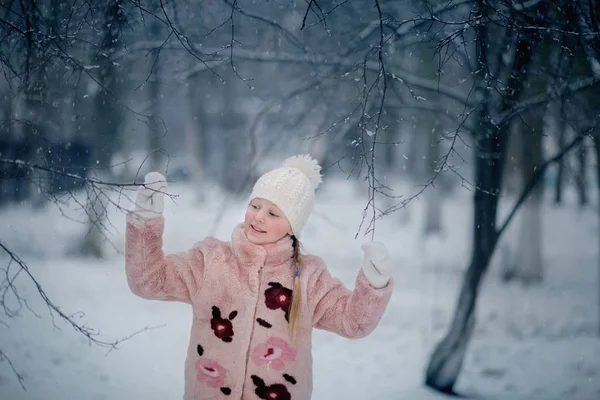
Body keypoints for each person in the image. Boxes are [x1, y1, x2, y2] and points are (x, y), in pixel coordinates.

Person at [125, 154, 394, 400]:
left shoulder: (309, 277)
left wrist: (374, 285)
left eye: (273, 213)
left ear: (293, 226)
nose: (258, 217)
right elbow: (149, 281)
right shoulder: (211, 261)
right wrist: (146, 223)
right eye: (255, 206)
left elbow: (353, 322)